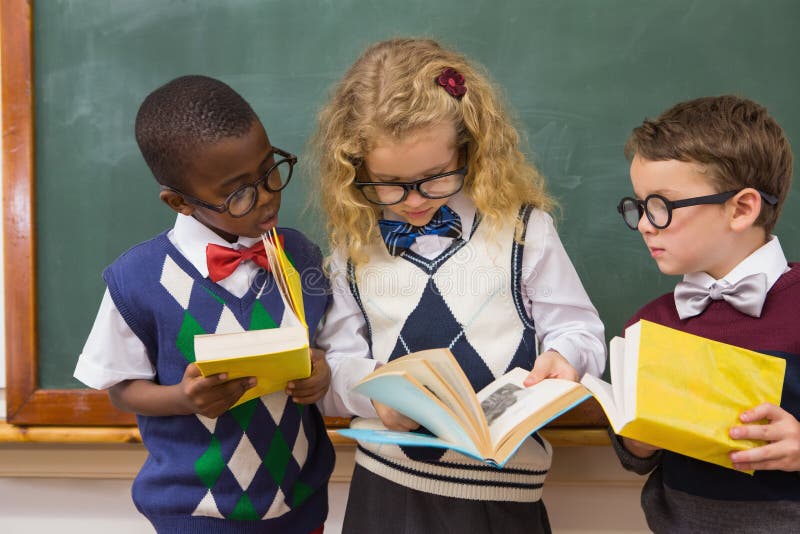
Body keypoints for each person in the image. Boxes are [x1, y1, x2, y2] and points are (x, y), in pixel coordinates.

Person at [313, 38, 606, 533]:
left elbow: (580, 330)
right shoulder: (354, 249)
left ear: (468, 148)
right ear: (356, 167)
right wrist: (373, 396)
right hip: (386, 494)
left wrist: (568, 357)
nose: (414, 201)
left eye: (434, 177)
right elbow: (334, 366)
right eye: (389, 183)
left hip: (503, 497)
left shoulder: (523, 231)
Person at [74, 75, 334, 533]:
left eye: (270, 170)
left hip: (300, 508)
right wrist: (183, 398)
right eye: (239, 193)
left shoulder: (300, 255)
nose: (267, 197)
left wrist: (321, 372)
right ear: (179, 202)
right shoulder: (137, 280)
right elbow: (120, 388)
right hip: (198, 515)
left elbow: (331, 347)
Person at [611, 94, 800, 532]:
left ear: (741, 209)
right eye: (640, 205)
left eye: (662, 206)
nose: (645, 223)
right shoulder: (651, 324)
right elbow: (638, 458)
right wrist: (636, 441)